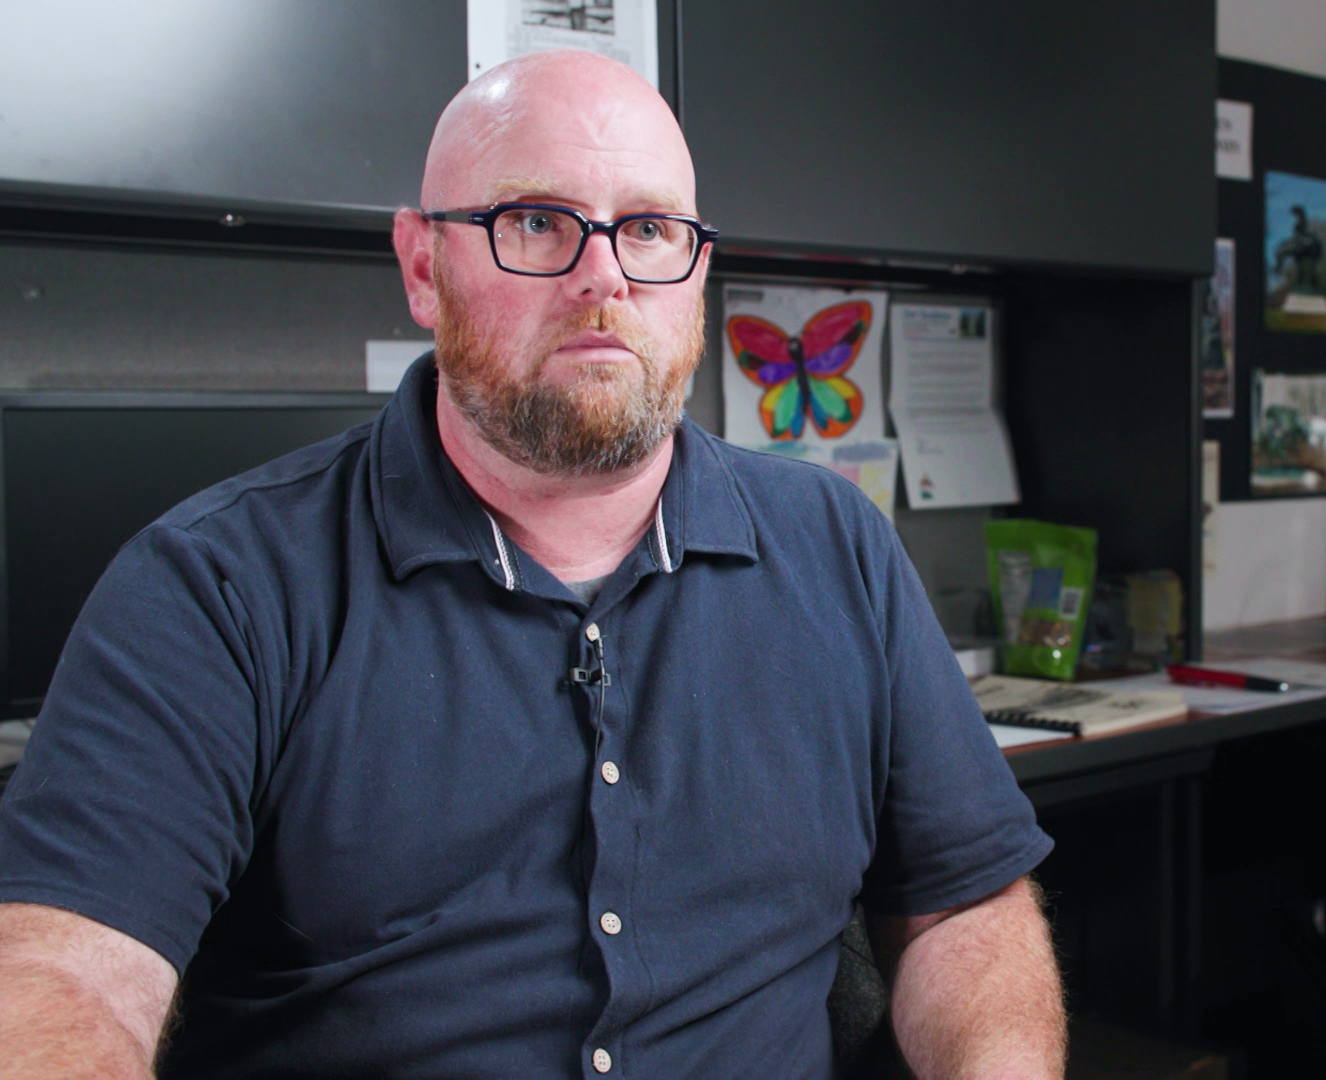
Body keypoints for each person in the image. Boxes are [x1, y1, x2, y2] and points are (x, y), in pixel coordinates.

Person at [0, 50, 1064, 1078]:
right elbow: (58, 975)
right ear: (424, 266)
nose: (603, 277)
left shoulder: (837, 548)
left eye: (649, 229)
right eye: (539, 223)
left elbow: (964, 907)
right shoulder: (218, 588)